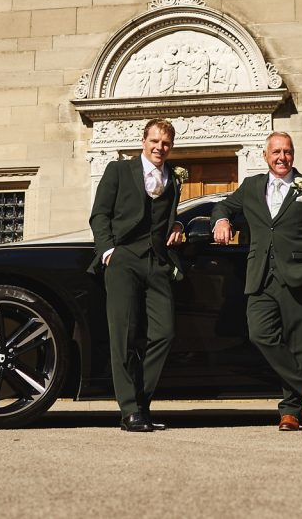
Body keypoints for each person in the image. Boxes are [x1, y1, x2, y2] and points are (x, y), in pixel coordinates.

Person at [212, 131, 302, 431]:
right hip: (261, 277)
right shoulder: (252, 186)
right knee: (259, 333)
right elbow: (224, 206)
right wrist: (221, 220)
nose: (282, 157)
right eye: (276, 152)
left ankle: (290, 412)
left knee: (298, 346)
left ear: (293, 155)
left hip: (299, 276)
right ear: (265, 156)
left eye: (287, 151)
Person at [89, 118, 187, 432]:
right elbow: (100, 213)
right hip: (123, 259)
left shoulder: (173, 178)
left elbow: (169, 215)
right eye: (155, 141)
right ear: (143, 141)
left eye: (166, 144)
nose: (160, 148)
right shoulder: (119, 170)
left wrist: (178, 224)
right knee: (123, 336)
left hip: (157, 261)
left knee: (164, 333)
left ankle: (140, 403)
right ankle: (130, 410)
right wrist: (107, 250)